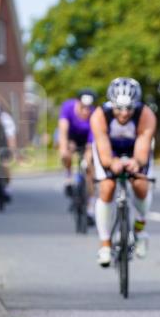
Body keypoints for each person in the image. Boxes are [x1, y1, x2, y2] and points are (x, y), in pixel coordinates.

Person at [90, 78, 157, 267]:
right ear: (112, 104)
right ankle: (104, 244)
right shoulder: (99, 115)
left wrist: (136, 162)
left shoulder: (146, 115)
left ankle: (140, 231)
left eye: (129, 108)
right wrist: (112, 163)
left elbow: (143, 147)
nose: (125, 113)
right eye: (119, 108)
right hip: (109, 150)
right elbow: (103, 149)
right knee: (107, 187)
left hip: (134, 150)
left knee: (141, 185)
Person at [58, 89, 97, 220]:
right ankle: (68, 177)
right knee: (66, 154)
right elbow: (63, 130)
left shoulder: (94, 114)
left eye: (88, 108)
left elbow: (93, 139)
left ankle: (91, 206)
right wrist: (64, 149)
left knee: (90, 168)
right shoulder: (68, 107)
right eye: (83, 107)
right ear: (77, 103)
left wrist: (88, 153)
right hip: (71, 137)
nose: (86, 111)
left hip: (87, 139)